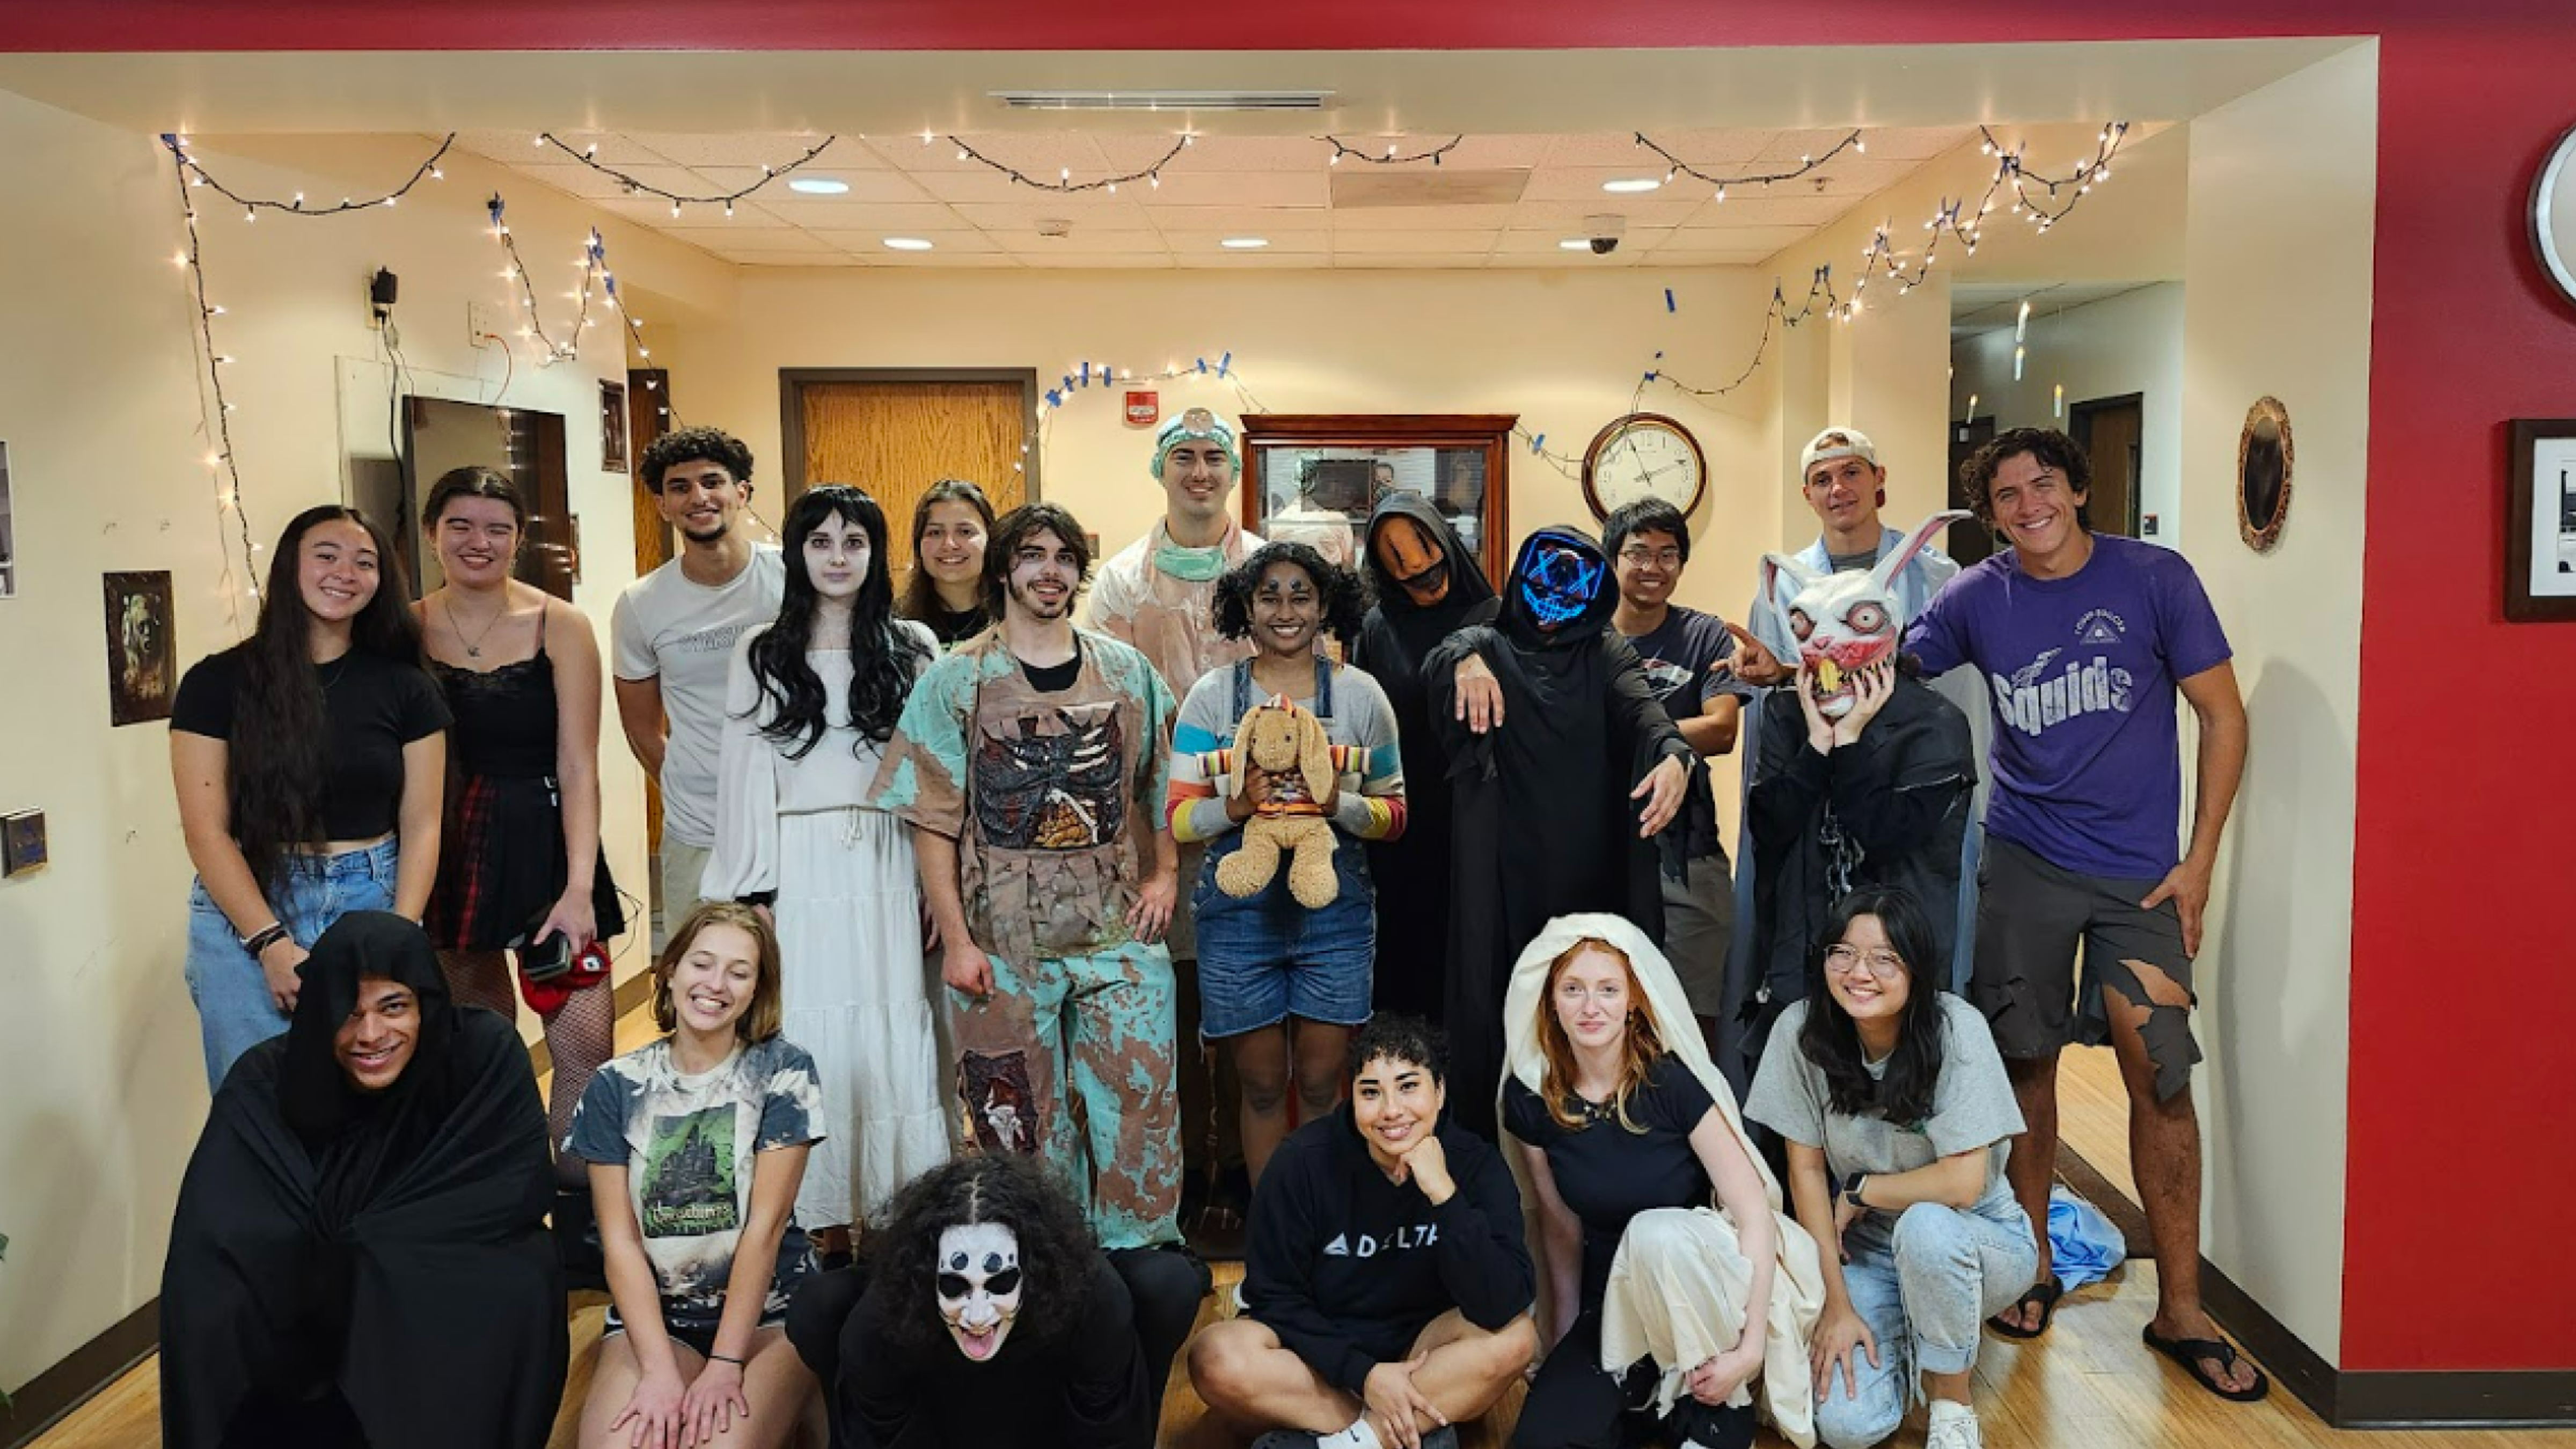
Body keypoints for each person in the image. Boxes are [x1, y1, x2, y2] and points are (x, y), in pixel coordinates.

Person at [1904, 428, 2262, 1401]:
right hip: (2025, 863)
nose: (2029, 507)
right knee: (2023, 1070)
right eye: (2008, 496)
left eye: (2043, 485)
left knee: (2165, 1078)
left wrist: (2200, 863)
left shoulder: (2157, 579)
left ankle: (2182, 1308)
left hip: (2142, 878)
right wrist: (1793, 669)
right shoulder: (1977, 598)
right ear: (1992, 515)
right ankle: (2032, 1270)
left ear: (2077, 488)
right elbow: (1886, 668)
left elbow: (2223, 717)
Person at [872, 500, 1210, 1404]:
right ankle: (1037, 1303)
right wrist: (954, 938)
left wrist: (1166, 874)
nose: (1049, 570)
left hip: (1114, 941)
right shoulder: (956, 681)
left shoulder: (1128, 672)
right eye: (1032, 556)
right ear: (1006, 572)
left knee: (1140, 1112)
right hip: (999, 949)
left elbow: (1163, 785)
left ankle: (1139, 1306)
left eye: (1065, 556)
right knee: (1018, 1126)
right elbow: (931, 818)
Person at [159, 911, 565, 1448]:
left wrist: (371, 1245)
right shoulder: (265, 1080)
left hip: (443, 1251)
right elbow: (223, 1220)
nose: (370, 1035)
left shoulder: (481, 1053)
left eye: (393, 1007)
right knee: (212, 1295)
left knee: (524, 1276)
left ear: (427, 1002)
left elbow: (512, 1184)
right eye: (347, 1013)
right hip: (305, 1274)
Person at [707, 484, 946, 1261]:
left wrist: (934, 884)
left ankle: (898, 1218)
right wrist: (753, 893)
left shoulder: (914, 646)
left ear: (877, 554)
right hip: (799, 869)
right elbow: (742, 778)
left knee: (889, 1032)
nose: (837, 558)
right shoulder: (759, 650)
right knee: (808, 1032)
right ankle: (814, 1223)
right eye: (821, 542)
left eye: (854, 542)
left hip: (889, 862)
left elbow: (938, 779)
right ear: (798, 554)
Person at [1500, 914, 1821, 1449]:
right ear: (1551, 1002)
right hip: (1614, 1304)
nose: (1590, 1006)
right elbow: (1559, 1228)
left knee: (1653, 1233)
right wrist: (1559, 1339)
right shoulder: (1533, 1098)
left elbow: (1753, 1211)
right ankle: (1645, 1398)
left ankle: (1713, 1409)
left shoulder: (1670, 1081)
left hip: (1700, 1295)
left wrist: (1749, 1351)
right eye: (1573, 990)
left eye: (1607, 989)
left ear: (1633, 1001)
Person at [413, 466, 625, 1269]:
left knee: (583, 1044)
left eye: (497, 528)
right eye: (461, 525)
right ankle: (505, 1218)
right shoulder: (401, 629)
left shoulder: (560, 624)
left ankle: (579, 1223)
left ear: (520, 536)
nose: (480, 542)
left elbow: (579, 764)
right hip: (450, 849)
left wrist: (577, 888)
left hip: (546, 840)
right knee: (483, 1046)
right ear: (433, 532)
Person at [172, 504, 449, 1089]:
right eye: (326, 555)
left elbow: (423, 823)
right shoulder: (216, 683)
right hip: (248, 907)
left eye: (365, 562)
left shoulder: (407, 688)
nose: (344, 572)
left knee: (372, 1104)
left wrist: (398, 934)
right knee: (257, 1102)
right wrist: (270, 942)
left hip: (371, 889)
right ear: (288, 567)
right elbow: (205, 830)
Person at [1744, 890, 2033, 1449]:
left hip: (1980, 1236)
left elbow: (1962, 1184)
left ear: (1916, 969)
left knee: (1926, 1228)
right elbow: (1804, 1174)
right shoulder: (1799, 1033)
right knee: (1848, 1429)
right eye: (1843, 953)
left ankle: (1951, 1404)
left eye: (1885, 958)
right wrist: (1836, 1303)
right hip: (1872, 1250)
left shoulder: (1956, 1029)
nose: (1860, 973)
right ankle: (1908, 1341)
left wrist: (1860, 1191)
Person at [1429, 526, 1694, 1135]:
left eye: (1574, 586)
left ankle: (1596, 1148)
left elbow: (1646, 713)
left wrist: (1675, 755)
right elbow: (1446, 652)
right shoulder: (1486, 640)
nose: (1553, 601)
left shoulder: (1604, 652)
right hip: (1499, 870)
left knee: (1585, 1012)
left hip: (1586, 871)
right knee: (1497, 1010)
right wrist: (1465, 662)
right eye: (1543, 581)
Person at [1168, 542, 1407, 1184]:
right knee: (1264, 1086)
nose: (1285, 610)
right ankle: (1275, 1239)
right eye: (1269, 595)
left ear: (1326, 605)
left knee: (1326, 1083)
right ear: (1246, 607)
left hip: (1335, 909)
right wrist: (1238, 806)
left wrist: (1342, 806)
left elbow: (1397, 812)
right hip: (1237, 915)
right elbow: (1181, 818)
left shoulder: (1362, 698)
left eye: (1301, 594)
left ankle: (1325, 1231)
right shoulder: (1211, 698)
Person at [1722, 427, 1985, 1008]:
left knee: (1911, 968)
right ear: (1807, 494)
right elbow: (1783, 730)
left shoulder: (1942, 581)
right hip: (1815, 808)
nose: (1838, 488)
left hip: (1909, 807)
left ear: (1879, 479)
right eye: (1823, 479)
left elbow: (1959, 701)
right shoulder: (1784, 590)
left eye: (1851, 472)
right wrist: (1783, 676)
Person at [1187, 1014, 1538, 1449]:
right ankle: (1402, 1433)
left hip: (1426, 1353)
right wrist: (1364, 1374)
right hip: (1319, 1358)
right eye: (1371, 1092)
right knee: (1216, 1356)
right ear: (1350, 1098)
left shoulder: (1476, 1164)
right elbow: (1275, 1297)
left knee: (1517, 1337)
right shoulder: (1301, 1163)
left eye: (1409, 1086)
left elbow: (1504, 1299)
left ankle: (1350, 1441)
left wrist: (1444, 1196)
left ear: (1440, 1091)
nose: (1392, 1111)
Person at [1087, 406, 1265, 1243]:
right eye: (1184, 457)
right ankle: (1189, 1168)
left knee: (1242, 1010)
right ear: (1162, 469)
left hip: (1257, 814)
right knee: (1171, 1003)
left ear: (1233, 471)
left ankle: (1245, 1167)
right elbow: (1107, 706)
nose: (1200, 472)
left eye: (1214, 458)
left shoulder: (1268, 567)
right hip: (1153, 825)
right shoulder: (1122, 581)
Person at [1735, 513, 1978, 1100]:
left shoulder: (1934, 723)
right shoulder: (1792, 712)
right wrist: (1818, 745)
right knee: (1800, 1107)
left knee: (1895, 1103)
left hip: (1898, 958)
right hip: (1802, 952)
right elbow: (1768, 825)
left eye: (1858, 621)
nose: (1827, 643)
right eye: (1806, 625)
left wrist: (1849, 744)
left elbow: (1887, 836)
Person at [567, 901, 825, 1449]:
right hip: (660, 1316)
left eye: (739, 972)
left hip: (769, 1315)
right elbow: (620, 1241)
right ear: (670, 971)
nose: (717, 984)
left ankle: (802, 1401)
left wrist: (727, 1363)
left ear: (758, 990)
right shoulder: (616, 1085)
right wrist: (659, 1369)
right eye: (702, 964)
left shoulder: (784, 1072)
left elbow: (766, 1229)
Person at [792, 1154, 1156, 1449]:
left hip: (1052, 1420)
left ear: (1032, 1270)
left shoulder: (1091, 1296)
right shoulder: (880, 1321)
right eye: (955, 1285)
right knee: (817, 1305)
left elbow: (1108, 1436)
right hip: (937, 1420)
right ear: (924, 1274)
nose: (978, 1315)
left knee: (1168, 1283)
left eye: (999, 1283)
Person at [612, 426, 787, 941]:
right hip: (698, 828)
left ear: (742, 493)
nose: (699, 497)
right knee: (704, 973)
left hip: (790, 816)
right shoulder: (642, 604)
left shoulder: (793, 579)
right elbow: (643, 730)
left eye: (712, 482)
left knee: (798, 976)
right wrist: (699, 781)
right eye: (680, 487)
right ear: (663, 505)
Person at [1348, 492, 1498, 1021]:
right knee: (1405, 971)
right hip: (1404, 829)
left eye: (1435, 570)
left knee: (1478, 966)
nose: (1429, 585)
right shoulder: (1377, 627)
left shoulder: (1495, 618)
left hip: (1481, 824)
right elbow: (1364, 724)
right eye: (1412, 579)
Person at [1602, 499, 1743, 1051]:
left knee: (1691, 1021)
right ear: (1613, 559)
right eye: (1638, 553)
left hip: (1691, 851)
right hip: (1604, 851)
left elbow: (1723, 730)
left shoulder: (1704, 634)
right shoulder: (1584, 640)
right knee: (1607, 1019)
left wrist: (1634, 735)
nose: (1653, 567)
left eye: (1668, 555)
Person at [898, 478, 999, 649]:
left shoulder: (1016, 622)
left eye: (965, 532)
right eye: (936, 532)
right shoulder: (897, 628)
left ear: (991, 539)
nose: (949, 544)